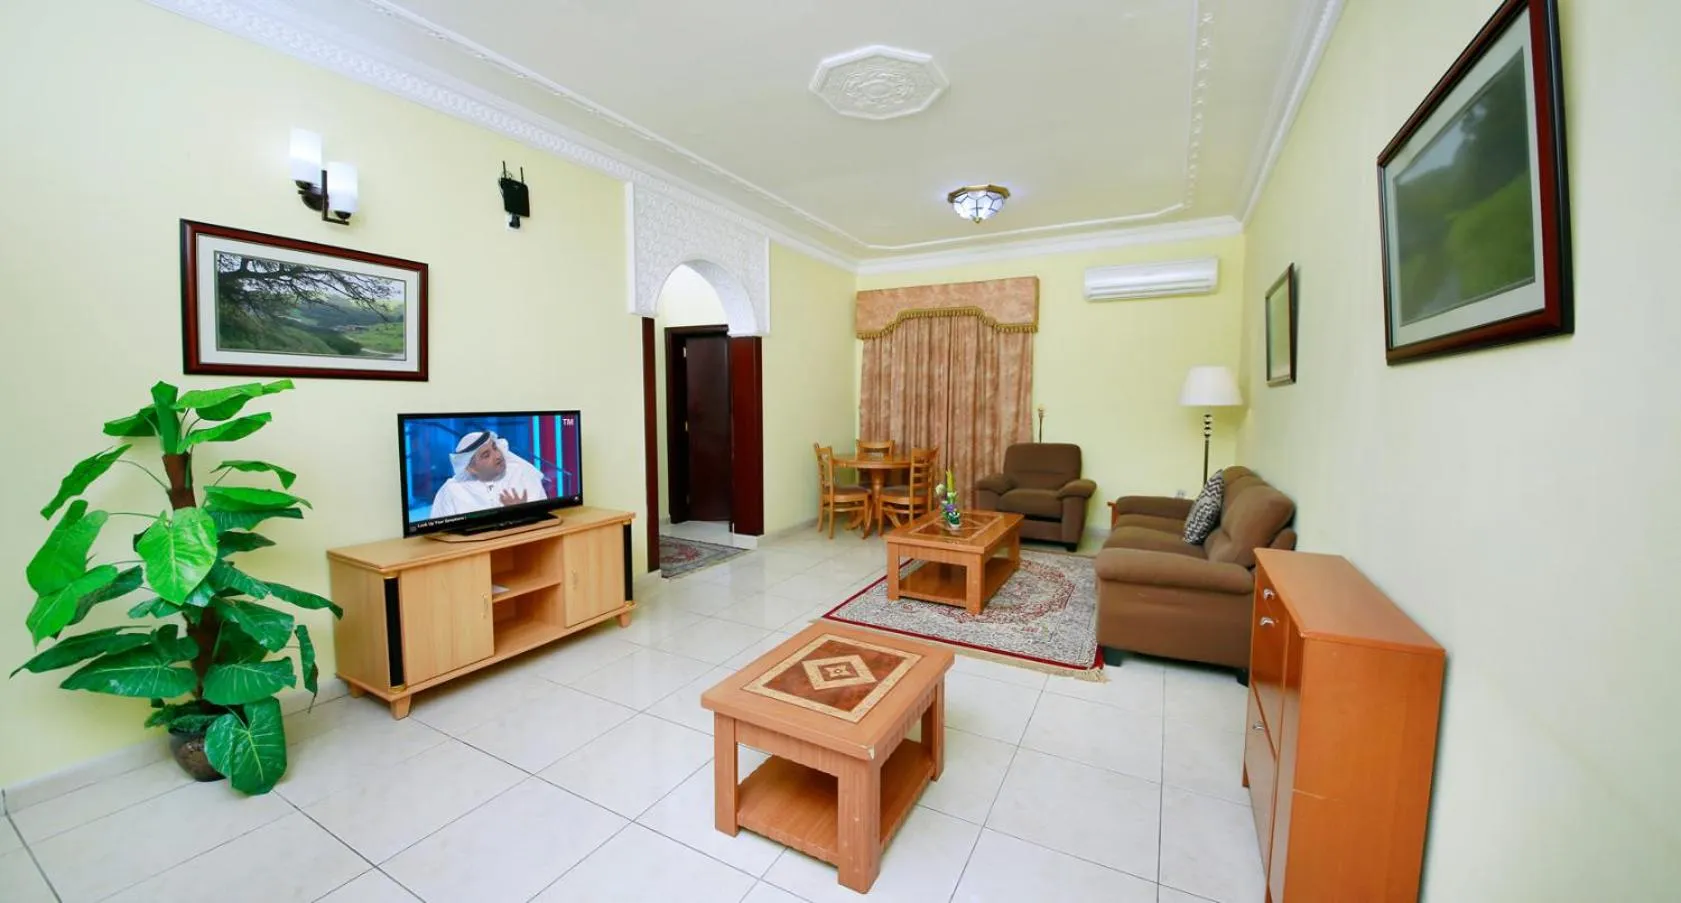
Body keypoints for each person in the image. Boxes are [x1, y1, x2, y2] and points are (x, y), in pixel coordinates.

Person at [428, 430, 549, 518]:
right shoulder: (452, 491)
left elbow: (545, 517)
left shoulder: (521, 472)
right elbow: (439, 533)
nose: (497, 456)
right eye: (486, 455)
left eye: (495, 448)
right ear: (471, 469)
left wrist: (525, 511)